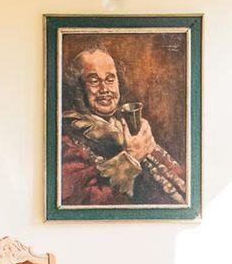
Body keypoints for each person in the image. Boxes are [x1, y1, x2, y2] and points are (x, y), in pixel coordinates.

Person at [58, 47, 188, 208]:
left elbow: (177, 175)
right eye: (94, 81)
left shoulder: (125, 124)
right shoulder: (67, 140)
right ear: (79, 87)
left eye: (110, 79)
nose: (104, 89)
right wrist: (131, 158)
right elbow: (83, 202)